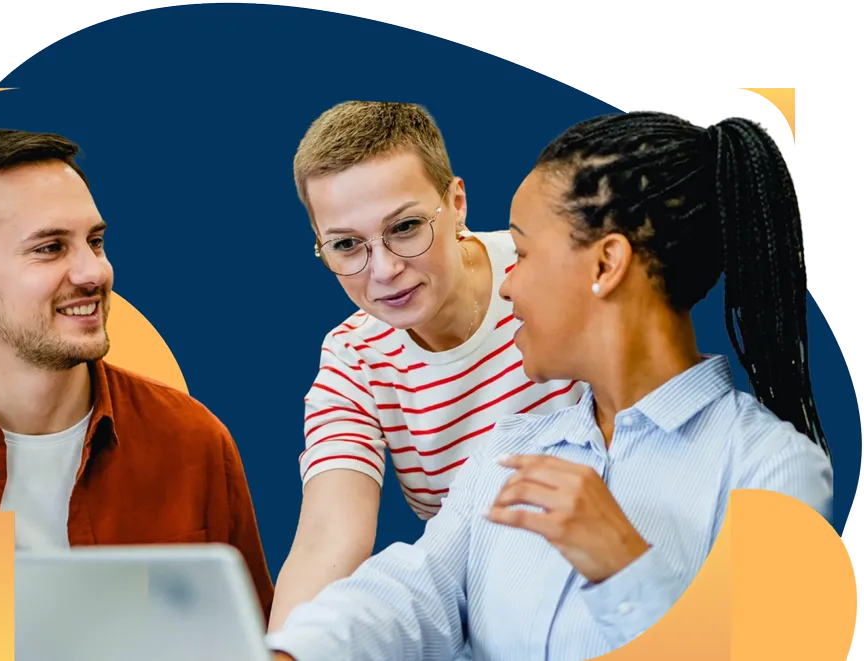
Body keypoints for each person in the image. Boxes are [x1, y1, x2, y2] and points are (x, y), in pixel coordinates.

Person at [264, 110, 834, 661]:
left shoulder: (772, 468)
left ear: (606, 265)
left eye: (525, 253)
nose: (508, 286)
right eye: (346, 244)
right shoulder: (505, 449)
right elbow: (403, 588)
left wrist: (623, 565)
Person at [0, 128, 274, 622]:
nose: (94, 273)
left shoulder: (191, 440)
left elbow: (249, 641)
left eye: (95, 242)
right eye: (49, 248)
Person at [268, 101, 586, 632]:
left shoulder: (550, 275)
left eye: (407, 227)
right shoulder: (355, 358)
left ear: (456, 202)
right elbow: (329, 535)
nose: (386, 270)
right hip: (493, 624)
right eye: (347, 245)